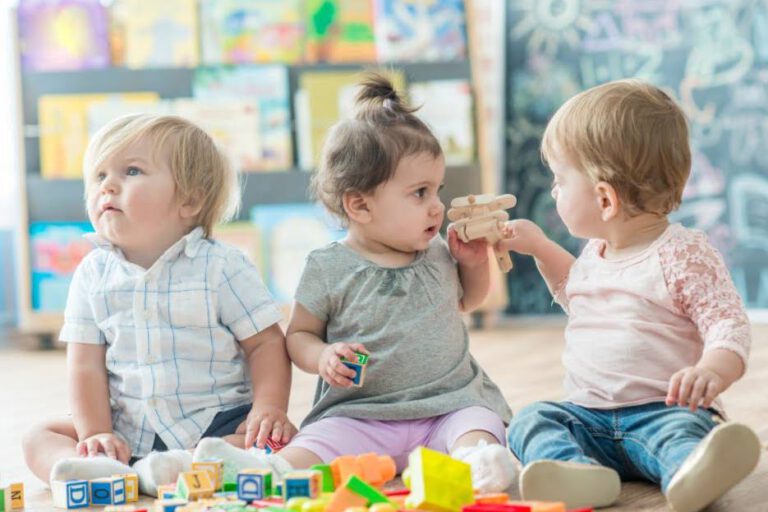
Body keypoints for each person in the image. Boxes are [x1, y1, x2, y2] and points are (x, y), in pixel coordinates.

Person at [192, 74, 517, 493]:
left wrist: (474, 264)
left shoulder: (436, 249)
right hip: (360, 415)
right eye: (419, 193)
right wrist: (324, 355)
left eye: (438, 190)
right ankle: (265, 470)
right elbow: (299, 336)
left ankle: (480, 461)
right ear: (360, 205)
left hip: (448, 406)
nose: (437, 206)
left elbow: (468, 301)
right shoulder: (328, 266)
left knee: (480, 424)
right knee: (317, 444)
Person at [499, 79, 761, 512]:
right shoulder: (596, 253)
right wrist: (541, 247)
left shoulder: (681, 253)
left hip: (665, 411)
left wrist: (713, 370)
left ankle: (690, 471)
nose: (553, 191)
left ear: (604, 199)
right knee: (531, 420)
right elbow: (577, 293)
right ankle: (578, 474)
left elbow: (727, 321)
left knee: (680, 435)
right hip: (588, 417)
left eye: (560, 180)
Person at [22, 114, 297, 496]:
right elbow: (84, 363)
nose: (108, 187)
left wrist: (268, 408)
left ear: (189, 200)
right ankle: (99, 469)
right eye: (99, 176)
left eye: (131, 171)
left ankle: (186, 465)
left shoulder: (221, 266)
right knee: (39, 436)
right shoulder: (92, 273)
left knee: (278, 443)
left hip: (214, 423)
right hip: (128, 429)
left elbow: (266, 343)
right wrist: (97, 432)